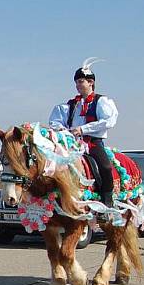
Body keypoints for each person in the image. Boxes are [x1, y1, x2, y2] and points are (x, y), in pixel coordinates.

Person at [49, 58, 119, 208]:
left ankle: (107, 200)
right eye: (77, 82)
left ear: (91, 82)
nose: (78, 85)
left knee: (105, 167)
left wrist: (83, 129)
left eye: (81, 81)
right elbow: (56, 121)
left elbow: (108, 121)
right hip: (71, 143)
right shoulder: (71, 104)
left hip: (92, 142)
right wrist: (63, 130)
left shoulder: (101, 101)